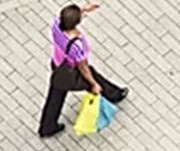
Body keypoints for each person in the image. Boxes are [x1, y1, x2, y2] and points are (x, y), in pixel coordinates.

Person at [38, 4, 128, 139]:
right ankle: (114, 94)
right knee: (93, 78)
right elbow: (83, 67)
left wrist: (84, 9)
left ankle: (47, 126)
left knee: (55, 97)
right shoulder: (78, 45)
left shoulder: (56, 26)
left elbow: (65, 18)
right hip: (72, 72)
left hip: (58, 65)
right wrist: (93, 84)